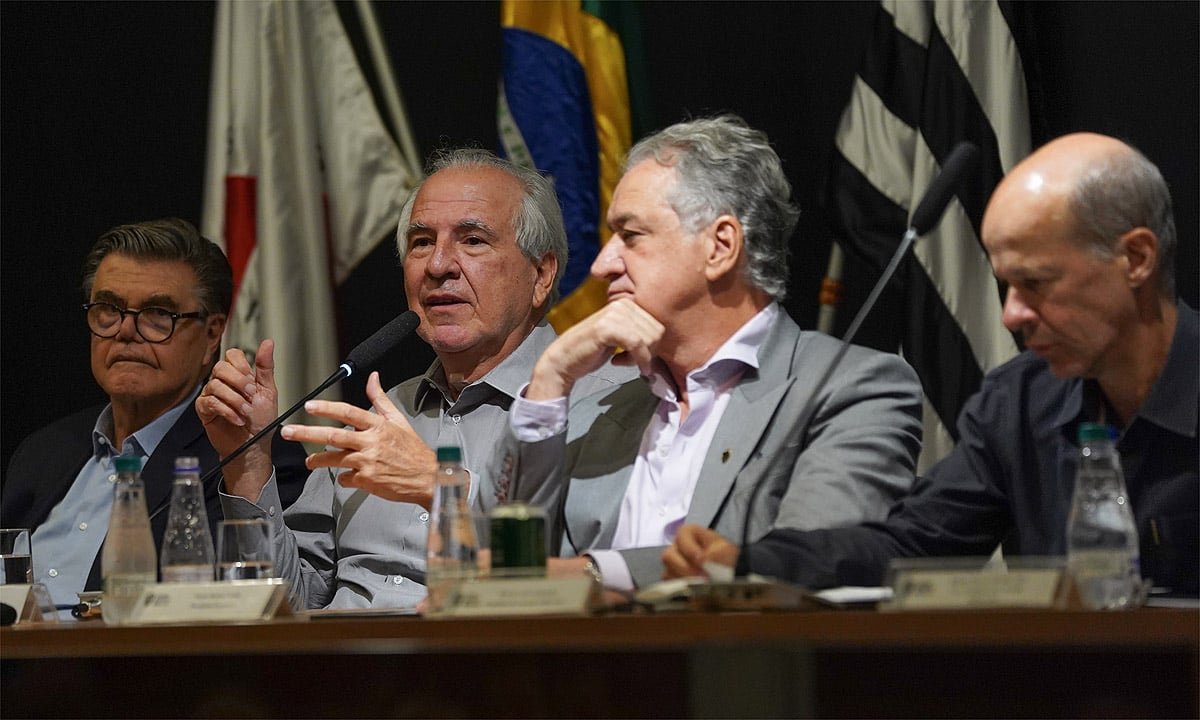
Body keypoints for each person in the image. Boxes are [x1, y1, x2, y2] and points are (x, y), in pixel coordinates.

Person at [665, 133, 1199, 598]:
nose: (1011, 314)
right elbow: (909, 548)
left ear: (1135, 259)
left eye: (1036, 283)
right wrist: (751, 564)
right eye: (1005, 285)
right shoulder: (1018, 402)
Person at [500, 115, 924, 591]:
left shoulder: (852, 386)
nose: (602, 265)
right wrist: (549, 380)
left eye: (631, 236)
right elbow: (503, 570)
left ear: (720, 247)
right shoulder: (590, 402)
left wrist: (600, 573)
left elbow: (808, 564)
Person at [197, 149, 629, 609]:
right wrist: (246, 466)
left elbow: (597, 583)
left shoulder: (607, 407)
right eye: (421, 242)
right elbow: (290, 605)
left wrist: (438, 487)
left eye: (473, 241)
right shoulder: (380, 419)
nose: (438, 265)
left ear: (541, 275)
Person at [3, 218, 308, 613]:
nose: (126, 331)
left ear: (213, 333)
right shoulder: (42, 453)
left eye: (157, 313)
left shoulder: (249, 456)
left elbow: (262, 606)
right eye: (108, 309)